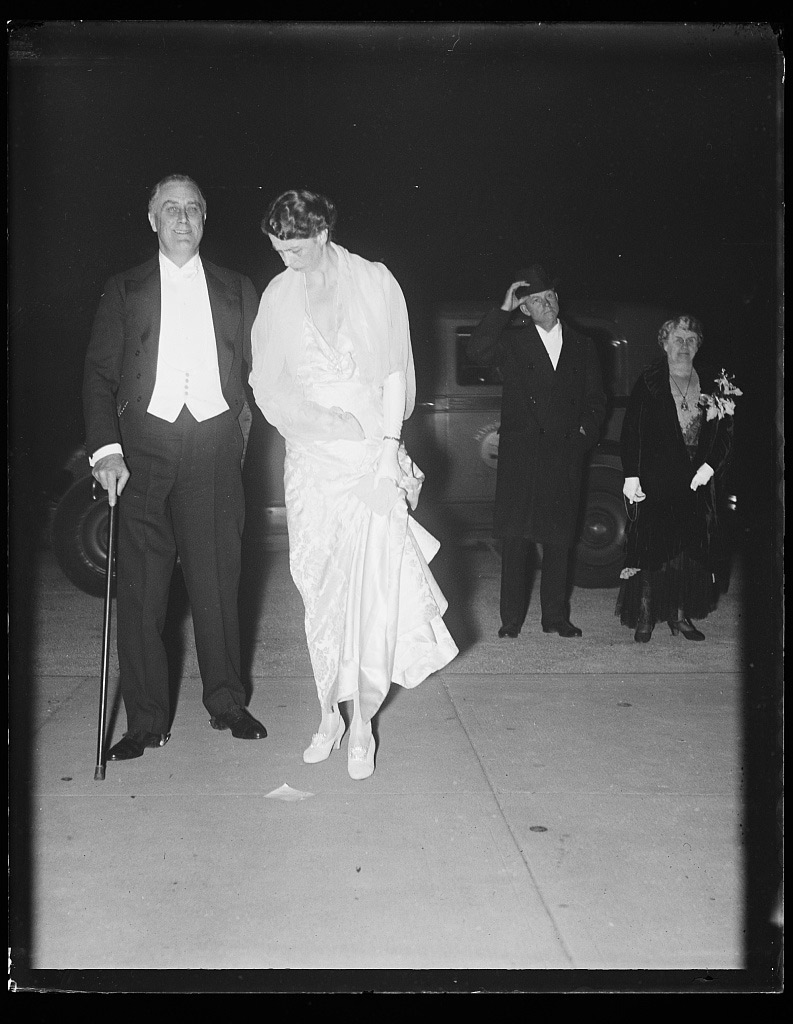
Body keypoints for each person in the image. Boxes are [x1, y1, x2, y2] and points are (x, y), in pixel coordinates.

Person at [249, 189, 458, 780]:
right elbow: (268, 385)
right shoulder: (277, 294)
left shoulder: (374, 282)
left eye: (295, 249)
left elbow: (394, 372)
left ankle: (362, 723)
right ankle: (327, 713)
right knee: (319, 592)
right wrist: (316, 423)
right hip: (311, 459)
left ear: (322, 234)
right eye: (277, 250)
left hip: (370, 455)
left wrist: (389, 449)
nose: (286, 260)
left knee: (368, 595)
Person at [83, 173, 267, 760]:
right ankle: (146, 721)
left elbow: (264, 376)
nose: (182, 219)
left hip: (213, 449)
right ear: (152, 220)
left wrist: (240, 437)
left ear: (205, 218)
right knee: (142, 594)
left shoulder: (239, 289)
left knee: (218, 582)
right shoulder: (125, 288)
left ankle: (228, 702)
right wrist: (107, 450)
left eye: (192, 209)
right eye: (170, 209)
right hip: (142, 454)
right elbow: (98, 376)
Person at [466, 264, 606, 638]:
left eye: (549, 297)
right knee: (517, 540)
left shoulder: (582, 344)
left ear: (557, 300)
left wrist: (583, 436)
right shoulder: (511, 343)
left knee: (559, 540)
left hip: (564, 454)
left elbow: (596, 401)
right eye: (535, 301)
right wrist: (503, 309)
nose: (545, 304)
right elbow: (477, 350)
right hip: (523, 455)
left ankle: (556, 617)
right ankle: (511, 620)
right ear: (524, 309)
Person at [616, 314, 738, 642]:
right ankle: (645, 616)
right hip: (657, 479)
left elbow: (727, 430)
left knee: (688, 552)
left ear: (698, 345)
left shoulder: (716, 381)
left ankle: (680, 618)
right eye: (677, 340)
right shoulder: (650, 380)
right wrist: (631, 476)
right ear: (665, 343)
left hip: (696, 481)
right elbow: (632, 431)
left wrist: (711, 465)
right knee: (652, 550)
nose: (684, 346)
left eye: (690, 340)